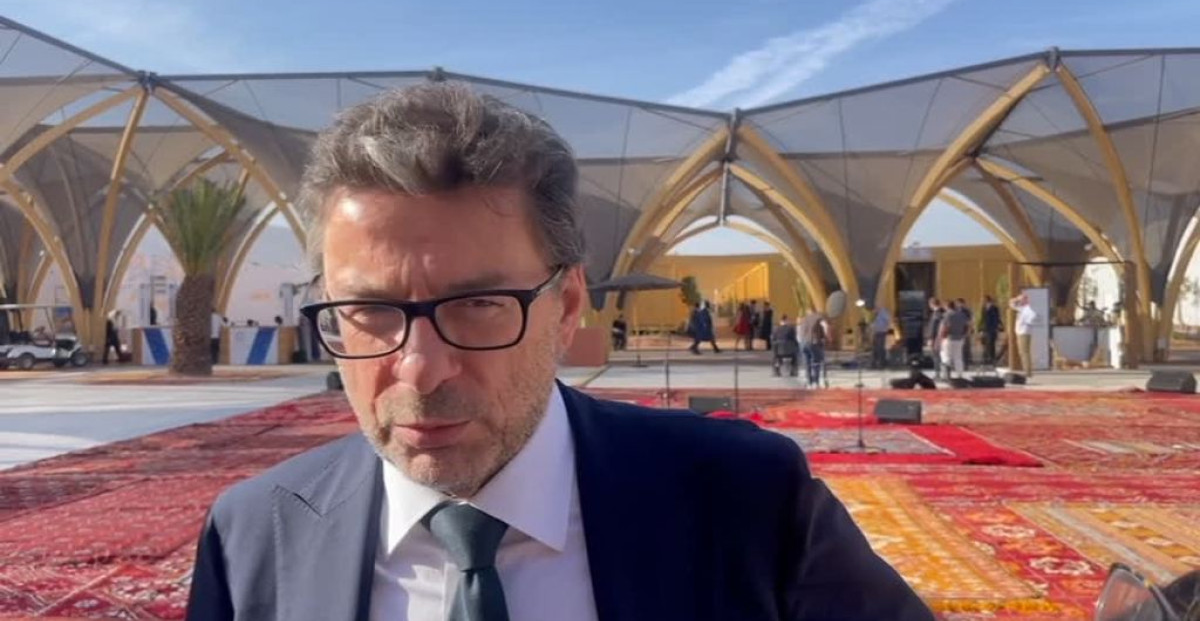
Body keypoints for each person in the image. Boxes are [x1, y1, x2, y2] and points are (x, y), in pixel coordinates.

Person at [185, 83, 932, 621]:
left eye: (479, 304)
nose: (419, 368)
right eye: (369, 311)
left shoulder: (748, 502)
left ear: (568, 305)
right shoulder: (253, 536)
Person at [797, 309, 828, 389]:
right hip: (813, 342)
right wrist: (825, 337)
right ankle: (816, 383)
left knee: (807, 363)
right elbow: (825, 326)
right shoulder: (818, 317)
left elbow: (799, 331)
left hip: (803, 343)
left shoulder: (803, 319)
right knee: (816, 362)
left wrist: (800, 341)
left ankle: (809, 382)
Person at [939, 300, 970, 380]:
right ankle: (959, 374)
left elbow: (944, 327)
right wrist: (963, 335)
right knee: (958, 357)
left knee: (946, 356)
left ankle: (946, 374)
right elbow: (966, 326)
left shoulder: (947, 315)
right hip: (959, 338)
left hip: (949, 338)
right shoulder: (962, 315)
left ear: (947, 306)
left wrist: (942, 337)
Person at [1010, 293, 1037, 379]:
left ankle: (1028, 372)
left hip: (1024, 333)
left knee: (1025, 352)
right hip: (1020, 332)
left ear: (1025, 301)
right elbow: (1011, 304)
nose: (1019, 302)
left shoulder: (1027, 310)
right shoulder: (1022, 309)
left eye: (1021, 300)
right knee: (1022, 352)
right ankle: (1026, 370)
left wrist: (1027, 323)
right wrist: (1016, 299)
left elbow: (1033, 317)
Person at [926, 298, 945, 379]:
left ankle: (938, 373)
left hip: (936, 338)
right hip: (941, 337)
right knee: (941, 355)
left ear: (932, 304)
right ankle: (942, 373)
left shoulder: (937, 314)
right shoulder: (943, 312)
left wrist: (930, 338)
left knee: (936, 355)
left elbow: (934, 327)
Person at [981, 295, 1002, 366]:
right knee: (985, 344)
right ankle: (986, 359)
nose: (982, 301)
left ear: (987, 300)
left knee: (991, 344)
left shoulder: (994, 308)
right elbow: (983, 318)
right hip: (985, 328)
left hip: (992, 329)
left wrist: (996, 327)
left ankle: (992, 359)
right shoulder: (984, 308)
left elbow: (997, 318)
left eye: (983, 300)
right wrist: (981, 328)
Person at [871, 305, 891, 369]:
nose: (874, 311)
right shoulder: (876, 315)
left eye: (875, 310)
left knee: (880, 348)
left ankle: (882, 363)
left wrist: (885, 327)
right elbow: (874, 322)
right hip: (877, 332)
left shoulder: (883, 312)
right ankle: (875, 363)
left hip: (882, 332)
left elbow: (888, 320)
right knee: (875, 348)